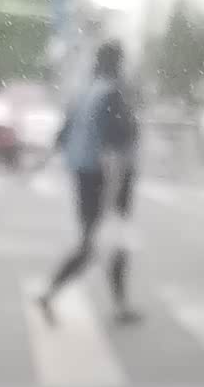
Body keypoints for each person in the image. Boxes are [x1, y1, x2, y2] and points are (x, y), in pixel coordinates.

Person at [38, 41, 141, 325]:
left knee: (103, 243)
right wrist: (112, 193)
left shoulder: (84, 92)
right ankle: (51, 293)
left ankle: (118, 305)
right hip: (106, 180)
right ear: (119, 64)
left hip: (84, 176)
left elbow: (62, 135)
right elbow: (113, 149)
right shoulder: (112, 95)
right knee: (104, 243)